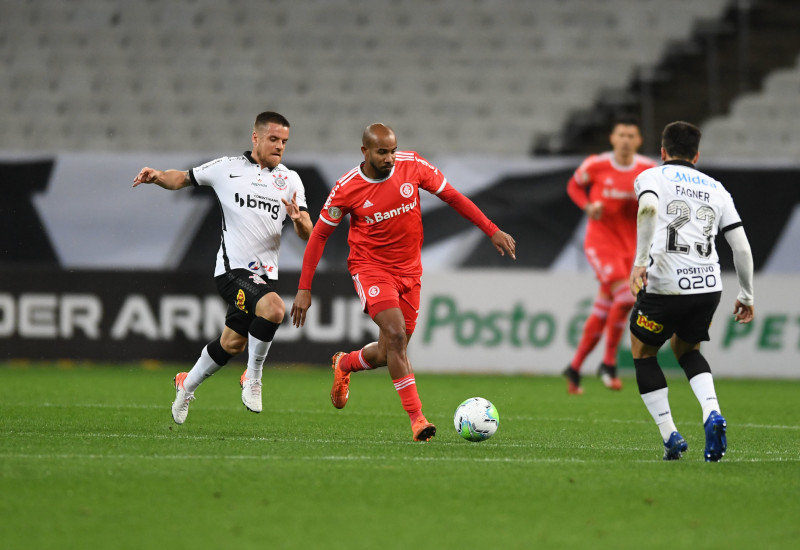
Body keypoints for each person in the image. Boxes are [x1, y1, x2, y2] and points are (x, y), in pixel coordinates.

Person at [290, 123, 516, 442]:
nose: (390, 158)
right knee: (396, 335)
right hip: (371, 269)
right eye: (382, 152)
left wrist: (491, 229)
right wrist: (304, 287)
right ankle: (417, 419)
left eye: (393, 151)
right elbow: (319, 236)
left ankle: (345, 363)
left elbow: (453, 197)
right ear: (365, 151)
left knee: (389, 352)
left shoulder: (412, 165)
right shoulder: (347, 188)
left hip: (410, 272)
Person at [132, 111, 313, 424]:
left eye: (284, 141)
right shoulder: (227, 168)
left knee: (232, 343)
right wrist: (157, 176)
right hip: (232, 271)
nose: (279, 146)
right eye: (273, 139)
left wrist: (298, 220)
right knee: (274, 309)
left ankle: (186, 385)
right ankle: (253, 378)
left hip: (263, 276)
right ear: (255, 137)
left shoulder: (290, 180)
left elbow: (309, 231)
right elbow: (183, 178)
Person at [629, 121, 754, 461]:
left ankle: (670, 435)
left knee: (643, 352)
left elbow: (648, 209)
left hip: (665, 283)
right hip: (708, 287)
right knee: (687, 349)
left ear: (662, 151)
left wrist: (639, 263)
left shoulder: (651, 176)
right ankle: (712, 412)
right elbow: (741, 247)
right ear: (696, 155)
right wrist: (746, 294)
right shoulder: (717, 188)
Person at [563, 115, 657, 395]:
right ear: (612, 139)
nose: (625, 140)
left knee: (604, 308)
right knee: (626, 297)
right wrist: (588, 206)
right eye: (621, 135)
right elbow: (573, 186)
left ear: (638, 141)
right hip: (600, 243)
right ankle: (608, 363)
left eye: (631, 136)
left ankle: (574, 368)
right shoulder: (596, 164)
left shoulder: (649, 169)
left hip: (630, 248)